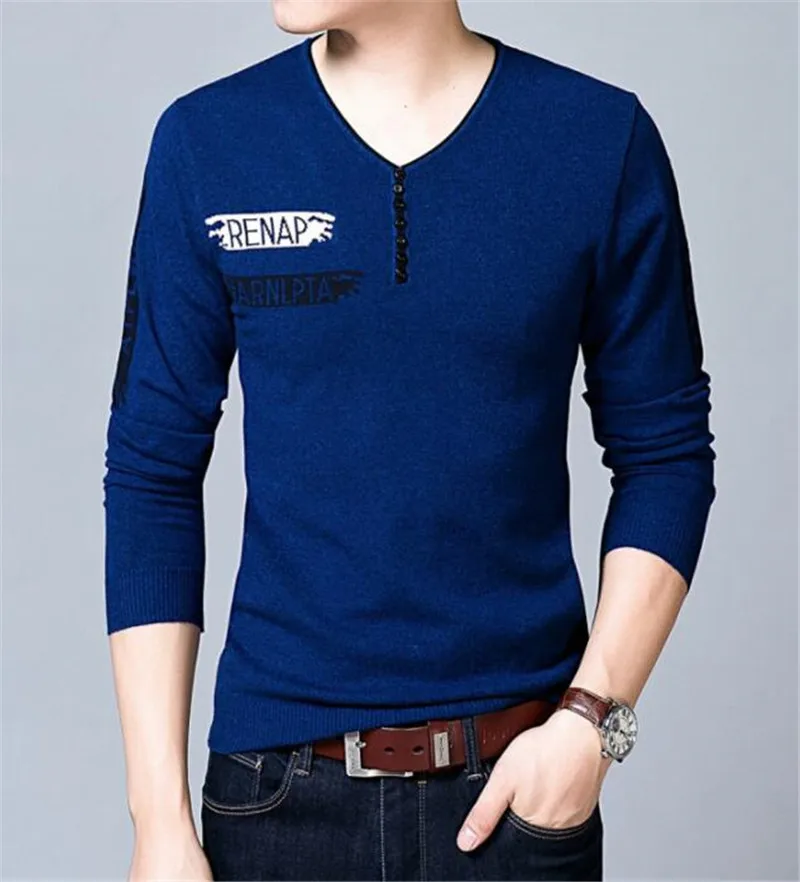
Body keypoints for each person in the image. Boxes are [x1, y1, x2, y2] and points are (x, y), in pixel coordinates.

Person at [102, 0, 717, 880]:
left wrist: (591, 720)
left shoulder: (596, 138)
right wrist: (156, 817)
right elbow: (152, 473)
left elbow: (666, 454)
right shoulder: (210, 142)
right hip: (275, 801)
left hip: (516, 798)